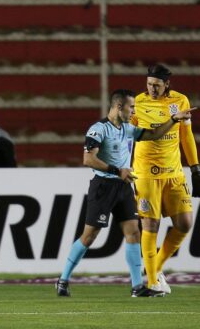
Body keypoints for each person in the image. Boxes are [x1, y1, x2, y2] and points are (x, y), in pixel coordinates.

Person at [55, 89, 195, 297]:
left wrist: (173, 119)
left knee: (134, 233)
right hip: (103, 186)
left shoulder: (128, 128)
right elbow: (88, 160)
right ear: (119, 107)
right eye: (131, 107)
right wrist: (116, 170)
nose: (134, 112)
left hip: (123, 186)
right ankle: (63, 279)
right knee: (89, 236)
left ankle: (137, 286)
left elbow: (154, 134)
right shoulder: (98, 129)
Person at [132, 64, 200, 294]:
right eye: (149, 84)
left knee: (185, 224)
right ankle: (152, 282)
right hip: (145, 173)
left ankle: (155, 268)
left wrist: (195, 167)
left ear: (167, 84)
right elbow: (126, 137)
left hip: (173, 173)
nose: (152, 89)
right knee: (150, 224)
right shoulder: (137, 104)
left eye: (157, 85)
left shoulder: (181, 101)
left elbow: (186, 136)